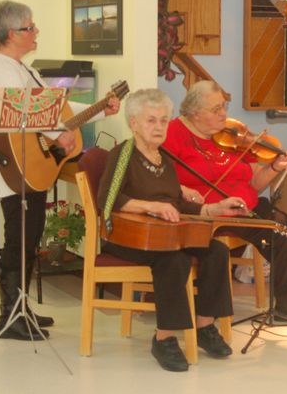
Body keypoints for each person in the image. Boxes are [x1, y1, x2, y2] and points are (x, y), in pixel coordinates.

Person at [0, 0, 120, 341]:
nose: (36, 31)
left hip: (32, 165)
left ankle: (21, 309)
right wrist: (60, 133)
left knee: (29, 238)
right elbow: (23, 115)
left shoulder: (21, 67)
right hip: (15, 168)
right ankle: (9, 316)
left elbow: (57, 110)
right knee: (19, 241)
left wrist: (102, 108)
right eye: (30, 27)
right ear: (12, 33)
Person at [98, 89, 245, 371]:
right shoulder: (122, 154)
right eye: (151, 120)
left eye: (164, 121)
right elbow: (107, 200)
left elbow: (175, 203)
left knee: (216, 251)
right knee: (173, 260)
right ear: (134, 123)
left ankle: (204, 326)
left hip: (167, 234)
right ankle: (164, 338)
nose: (159, 127)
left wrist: (214, 209)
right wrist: (149, 206)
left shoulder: (164, 158)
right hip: (129, 237)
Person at [162, 80, 287, 324]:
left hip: (243, 207)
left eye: (224, 107)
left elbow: (255, 184)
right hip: (209, 214)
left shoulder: (230, 137)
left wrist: (275, 166)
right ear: (195, 113)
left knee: (283, 226)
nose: (224, 114)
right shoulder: (173, 135)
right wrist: (184, 190)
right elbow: (161, 179)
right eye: (216, 109)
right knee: (278, 231)